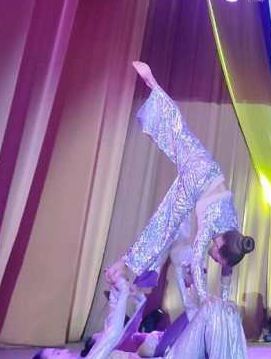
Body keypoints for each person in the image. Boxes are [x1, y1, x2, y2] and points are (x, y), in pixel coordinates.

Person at [104, 62, 255, 309]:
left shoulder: (234, 233)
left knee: (180, 131)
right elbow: (197, 260)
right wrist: (206, 298)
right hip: (196, 183)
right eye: (218, 260)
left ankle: (153, 84)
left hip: (209, 167)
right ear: (219, 246)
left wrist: (226, 299)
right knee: (165, 224)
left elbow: (228, 268)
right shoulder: (211, 229)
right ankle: (126, 264)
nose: (216, 262)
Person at [22, 279, 267, 359]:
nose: (64, 351)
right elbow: (112, 335)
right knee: (210, 308)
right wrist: (123, 290)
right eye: (56, 354)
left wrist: (117, 294)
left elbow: (113, 331)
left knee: (226, 307)